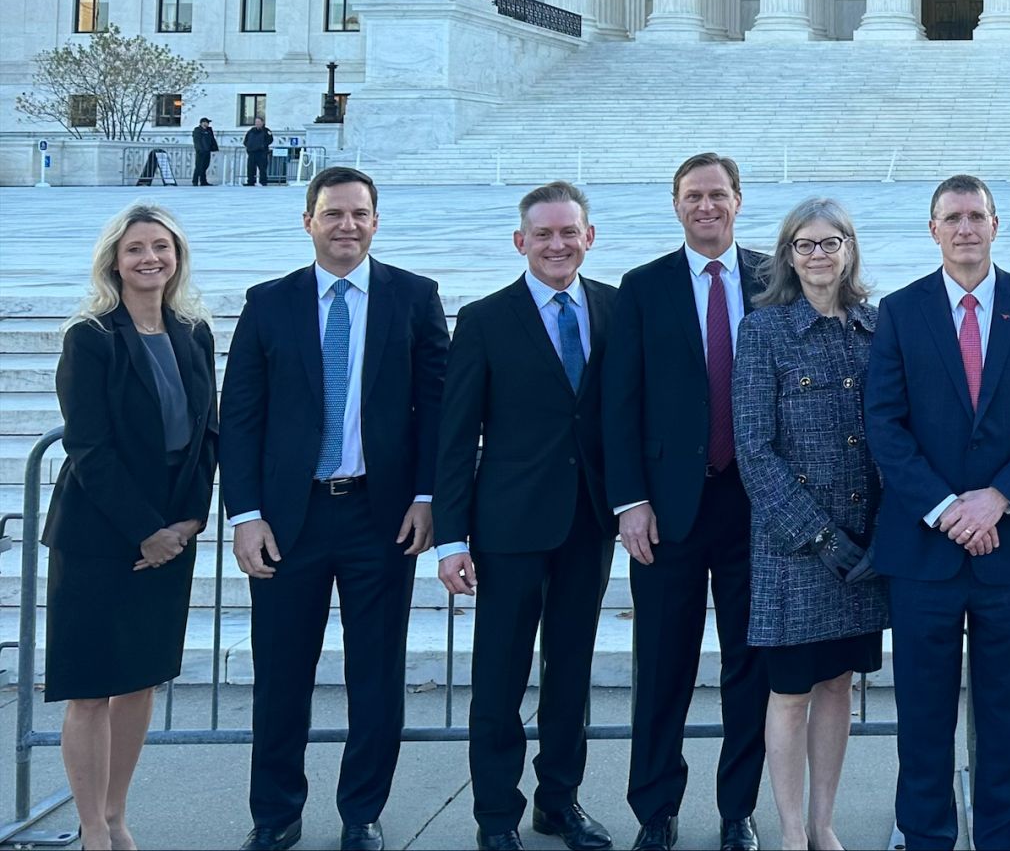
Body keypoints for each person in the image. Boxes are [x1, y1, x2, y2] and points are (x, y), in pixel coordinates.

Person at [219, 166, 449, 851]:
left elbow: (438, 407)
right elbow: (240, 417)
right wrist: (244, 514)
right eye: (332, 213)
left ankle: (362, 814)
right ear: (308, 222)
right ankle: (276, 814)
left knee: (375, 676)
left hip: (381, 519)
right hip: (290, 520)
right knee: (281, 675)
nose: (346, 225)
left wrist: (428, 496)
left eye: (359, 213)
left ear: (376, 221)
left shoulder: (414, 297)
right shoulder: (269, 303)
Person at [864, 174, 1010, 851]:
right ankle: (926, 836)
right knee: (923, 716)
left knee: (1008, 713)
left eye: (975, 216)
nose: (964, 228)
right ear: (933, 230)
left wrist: (999, 498)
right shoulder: (900, 311)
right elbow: (885, 424)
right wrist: (946, 508)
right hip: (923, 553)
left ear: (994, 225)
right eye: (951, 217)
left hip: (1008, 551)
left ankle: (1002, 839)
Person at [433, 182, 616, 851]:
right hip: (508, 528)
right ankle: (496, 816)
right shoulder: (484, 319)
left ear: (588, 237)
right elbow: (456, 436)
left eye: (569, 232)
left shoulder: (615, 308)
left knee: (570, 674)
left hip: (588, 524)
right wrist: (451, 536)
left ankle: (558, 802)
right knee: (499, 680)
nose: (558, 244)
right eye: (544, 234)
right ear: (521, 242)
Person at [602, 153, 771, 851]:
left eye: (718, 195)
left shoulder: (776, 278)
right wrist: (629, 500)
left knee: (750, 667)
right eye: (694, 196)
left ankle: (739, 810)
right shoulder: (642, 288)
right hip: (667, 510)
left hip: (755, 508)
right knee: (663, 665)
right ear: (676, 205)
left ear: (739, 200)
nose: (707, 207)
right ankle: (656, 810)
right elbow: (619, 402)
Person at [45, 204, 218, 851]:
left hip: (171, 533)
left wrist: (189, 522)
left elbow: (206, 434)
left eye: (162, 247)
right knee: (90, 689)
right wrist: (145, 530)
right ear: (114, 261)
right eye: (136, 249)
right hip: (99, 536)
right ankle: (91, 828)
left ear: (176, 257)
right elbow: (88, 447)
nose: (150, 258)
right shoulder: (90, 337)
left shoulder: (193, 332)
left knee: (140, 681)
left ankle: (118, 815)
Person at [732, 199, 886, 851]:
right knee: (791, 694)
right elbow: (753, 451)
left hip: (862, 550)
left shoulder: (874, 329)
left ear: (849, 249)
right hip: (795, 552)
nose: (819, 255)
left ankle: (824, 822)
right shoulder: (763, 332)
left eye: (831, 243)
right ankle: (791, 831)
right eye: (805, 245)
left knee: (837, 688)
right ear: (787, 255)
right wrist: (820, 538)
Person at [243, 118, 274, 187]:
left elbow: (270, 139)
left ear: (262, 123)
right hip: (252, 153)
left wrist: (263, 145)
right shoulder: (251, 131)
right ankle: (250, 181)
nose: (257, 124)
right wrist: (248, 146)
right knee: (250, 168)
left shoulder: (266, 131)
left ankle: (263, 182)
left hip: (261, 153)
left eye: (259, 122)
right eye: (256, 122)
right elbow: (246, 140)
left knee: (262, 168)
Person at [191, 118, 218, 186]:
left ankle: (203, 181)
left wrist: (214, 147)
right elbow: (197, 141)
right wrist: (199, 149)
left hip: (207, 150)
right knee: (198, 166)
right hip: (200, 151)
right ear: (202, 123)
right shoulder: (198, 130)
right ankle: (195, 181)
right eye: (206, 122)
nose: (207, 124)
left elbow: (212, 139)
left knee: (205, 166)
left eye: (208, 123)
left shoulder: (209, 131)